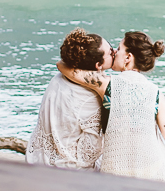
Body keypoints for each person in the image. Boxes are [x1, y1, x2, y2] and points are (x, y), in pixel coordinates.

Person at [58, 31, 165, 187]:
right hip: (150, 170)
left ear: (128, 58)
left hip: (114, 172)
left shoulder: (106, 84)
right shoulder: (157, 94)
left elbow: (63, 67)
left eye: (118, 49)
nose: (115, 53)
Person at [25, 28, 113, 169]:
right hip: (67, 171)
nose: (115, 53)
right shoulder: (92, 97)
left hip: (35, 158)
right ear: (98, 65)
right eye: (111, 52)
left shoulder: (57, 79)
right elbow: (90, 152)